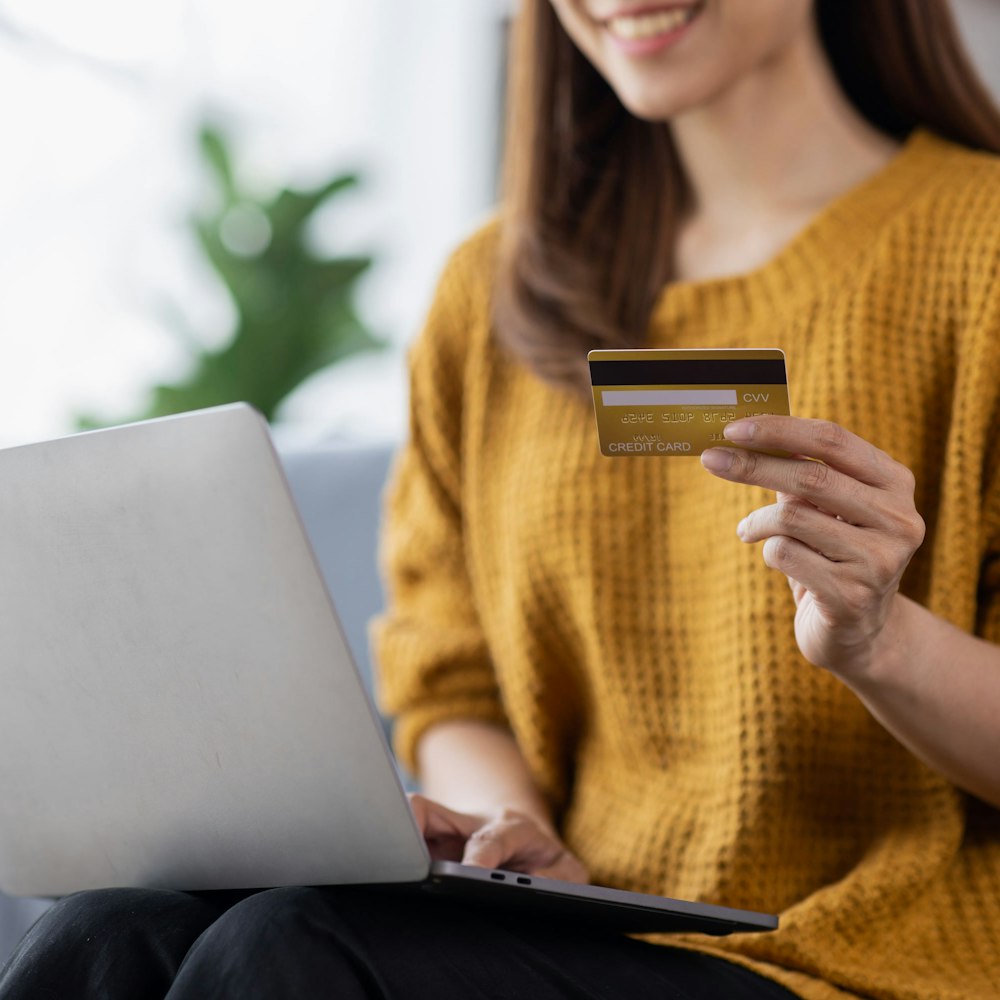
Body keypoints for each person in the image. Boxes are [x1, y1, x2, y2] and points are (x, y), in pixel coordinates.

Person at [2, 0, 1000, 997]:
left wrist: (883, 644)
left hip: (864, 959)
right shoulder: (487, 293)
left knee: (284, 950)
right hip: (587, 930)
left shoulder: (979, 248)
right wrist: (509, 842)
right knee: (104, 936)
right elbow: (453, 682)